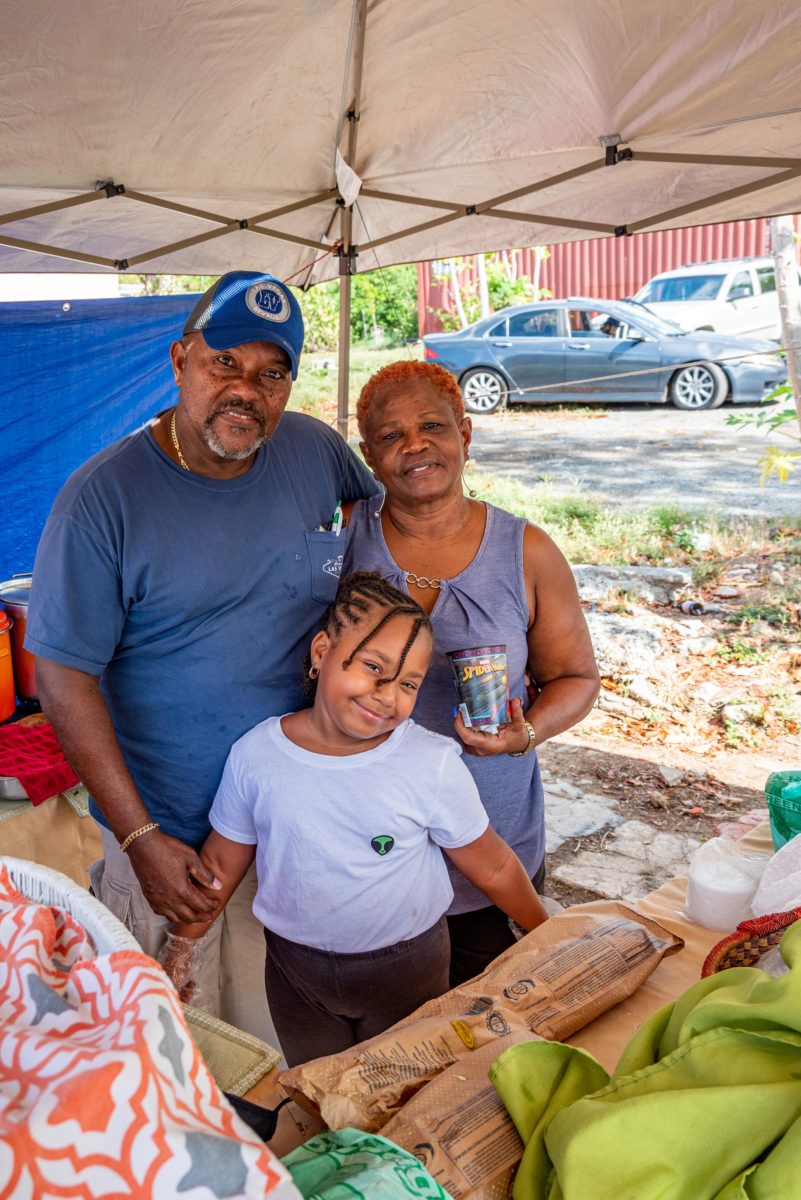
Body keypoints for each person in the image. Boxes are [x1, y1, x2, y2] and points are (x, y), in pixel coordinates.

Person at [25, 271, 376, 1038]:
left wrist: (368, 590)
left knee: (279, 1046)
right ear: (181, 359)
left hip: (295, 829)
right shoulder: (104, 499)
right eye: (226, 363)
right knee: (171, 1051)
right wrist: (140, 838)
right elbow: (60, 676)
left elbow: (375, 505)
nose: (246, 391)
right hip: (176, 848)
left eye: (270, 373)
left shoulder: (314, 451)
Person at [160, 572, 548, 1065]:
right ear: (322, 652)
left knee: (404, 1089)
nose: (387, 695)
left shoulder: (430, 761)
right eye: (372, 667)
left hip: (411, 968)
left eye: (408, 683)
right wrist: (181, 948)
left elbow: (491, 865)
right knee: (317, 1085)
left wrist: (545, 931)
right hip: (296, 974)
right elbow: (221, 860)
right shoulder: (257, 754)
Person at [343, 360, 600, 985]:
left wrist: (526, 733)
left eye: (433, 425)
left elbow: (577, 678)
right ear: (369, 456)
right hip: (369, 839)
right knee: (392, 1026)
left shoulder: (526, 552)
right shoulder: (343, 540)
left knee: (488, 1015)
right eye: (390, 436)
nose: (414, 445)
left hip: (492, 838)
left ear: (465, 433)